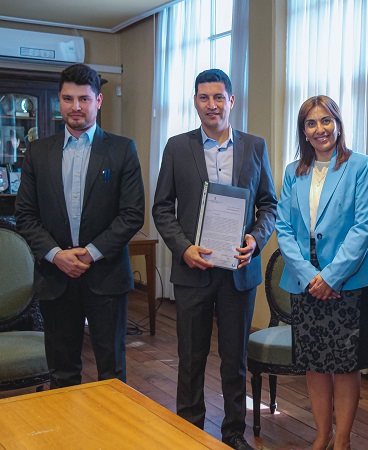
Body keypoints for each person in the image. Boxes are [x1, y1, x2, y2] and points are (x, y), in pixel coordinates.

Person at [152, 69, 277, 450]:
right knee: (190, 358)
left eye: (219, 97)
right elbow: (161, 208)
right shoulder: (176, 147)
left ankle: (234, 434)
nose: (212, 104)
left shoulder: (255, 146)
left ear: (231, 100)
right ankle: (188, 432)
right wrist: (183, 248)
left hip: (238, 273)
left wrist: (255, 240)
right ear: (195, 101)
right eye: (204, 97)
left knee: (234, 360)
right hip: (193, 270)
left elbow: (269, 205)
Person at [15, 63, 145, 388]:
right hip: (55, 277)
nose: (76, 107)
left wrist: (89, 254)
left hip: (107, 276)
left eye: (84, 99)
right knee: (62, 371)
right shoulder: (37, 152)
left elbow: (132, 214)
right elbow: (26, 215)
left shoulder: (121, 149)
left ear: (98, 101)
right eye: (69, 99)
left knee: (112, 374)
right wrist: (56, 255)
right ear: (59, 101)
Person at [276, 95, 368, 450]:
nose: (319, 129)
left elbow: (363, 225)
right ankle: (321, 434)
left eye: (325, 121)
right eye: (310, 123)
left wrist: (331, 277)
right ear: (303, 132)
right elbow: (284, 228)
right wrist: (310, 277)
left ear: (337, 124)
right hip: (305, 280)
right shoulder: (293, 172)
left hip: (346, 279)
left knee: (344, 364)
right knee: (314, 363)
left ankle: (344, 439)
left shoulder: (359, 165)